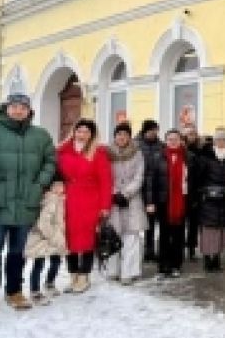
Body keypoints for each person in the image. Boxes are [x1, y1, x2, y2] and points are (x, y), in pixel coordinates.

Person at [0, 93, 56, 320]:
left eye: (23, 107)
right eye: (14, 106)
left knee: (17, 252)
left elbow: (50, 161)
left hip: (26, 203)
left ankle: (14, 291)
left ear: (29, 111)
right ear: (6, 108)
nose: (18, 111)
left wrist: (39, 184)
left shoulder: (40, 135)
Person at [58, 119, 112, 293]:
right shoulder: (63, 151)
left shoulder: (98, 153)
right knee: (69, 239)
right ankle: (73, 274)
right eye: (79, 131)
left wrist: (105, 206)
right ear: (74, 131)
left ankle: (84, 275)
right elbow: (56, 173)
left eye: (86, 132)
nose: (82, 135)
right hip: (68, 198)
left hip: (90, 200)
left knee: (87, 239)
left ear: (92, 135)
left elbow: (106, 181)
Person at [107, 122, 147, 284]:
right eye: (118, 134)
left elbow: (139, 176)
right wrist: (114, 193)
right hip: (113, 200)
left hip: (132, 200)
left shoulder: (137, 154)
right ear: (115, 137)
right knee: (112, 235)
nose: (121, 137)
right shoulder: (107, 154)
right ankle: (113, 270)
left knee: (131, 237)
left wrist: (126, 194)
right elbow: (104, 176)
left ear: (129, 137)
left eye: (125, 134)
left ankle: (129, 272)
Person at [194, 127, 225, 272]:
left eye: (224, 139)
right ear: (214, 141)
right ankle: (207, 260)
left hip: (224, 199)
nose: (221, 142)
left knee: (221, 231)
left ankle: (216, 259)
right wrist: (204, 191)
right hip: (209, 199)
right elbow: (198, 178)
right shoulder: (206, 157)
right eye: (218, 139)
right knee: (209, 231)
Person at [24, 175, 66, 304]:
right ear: (51, 187)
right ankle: (35, 291)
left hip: (54, 236)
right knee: (39, 264)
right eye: (56, 186)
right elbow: (44, 222)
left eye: (61, 185)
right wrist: (53, 236)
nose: (59, 188)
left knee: (56, 261)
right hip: (44, 237)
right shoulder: (51, 200)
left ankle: (49, 283)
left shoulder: (60, 199)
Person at [158, 129, 188, 278]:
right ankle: (164, 264)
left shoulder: (188, 157)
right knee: (164, 234)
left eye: (176, 138)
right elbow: (152, 179)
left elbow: (192, 179)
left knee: (178, 235)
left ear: (180, 140)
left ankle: (176, 264)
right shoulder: (160, 157)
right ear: (166, 141)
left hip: (181, 201)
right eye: (170, 139)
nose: (173, 141)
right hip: (164, 201)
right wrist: (151, 200)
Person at [137, 119, 165, 263]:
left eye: (156, 130)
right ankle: (145, 250)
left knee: (155, 222)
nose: (154, 133)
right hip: (140, 189)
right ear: (145, 130)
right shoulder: (136, 145)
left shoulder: (161, 146)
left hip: (157, 188)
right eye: (151, 130)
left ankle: (153, 250)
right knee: (144, 222)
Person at [181, 125, 202, 262]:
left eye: (193, 134)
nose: (191, 136)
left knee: (194, 223)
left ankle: (191, 249)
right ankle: (180, 247)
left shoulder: (200, 151)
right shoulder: (181, 151)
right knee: (180, 222)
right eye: (188, 134)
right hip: (182, 191)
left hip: (195, 190)